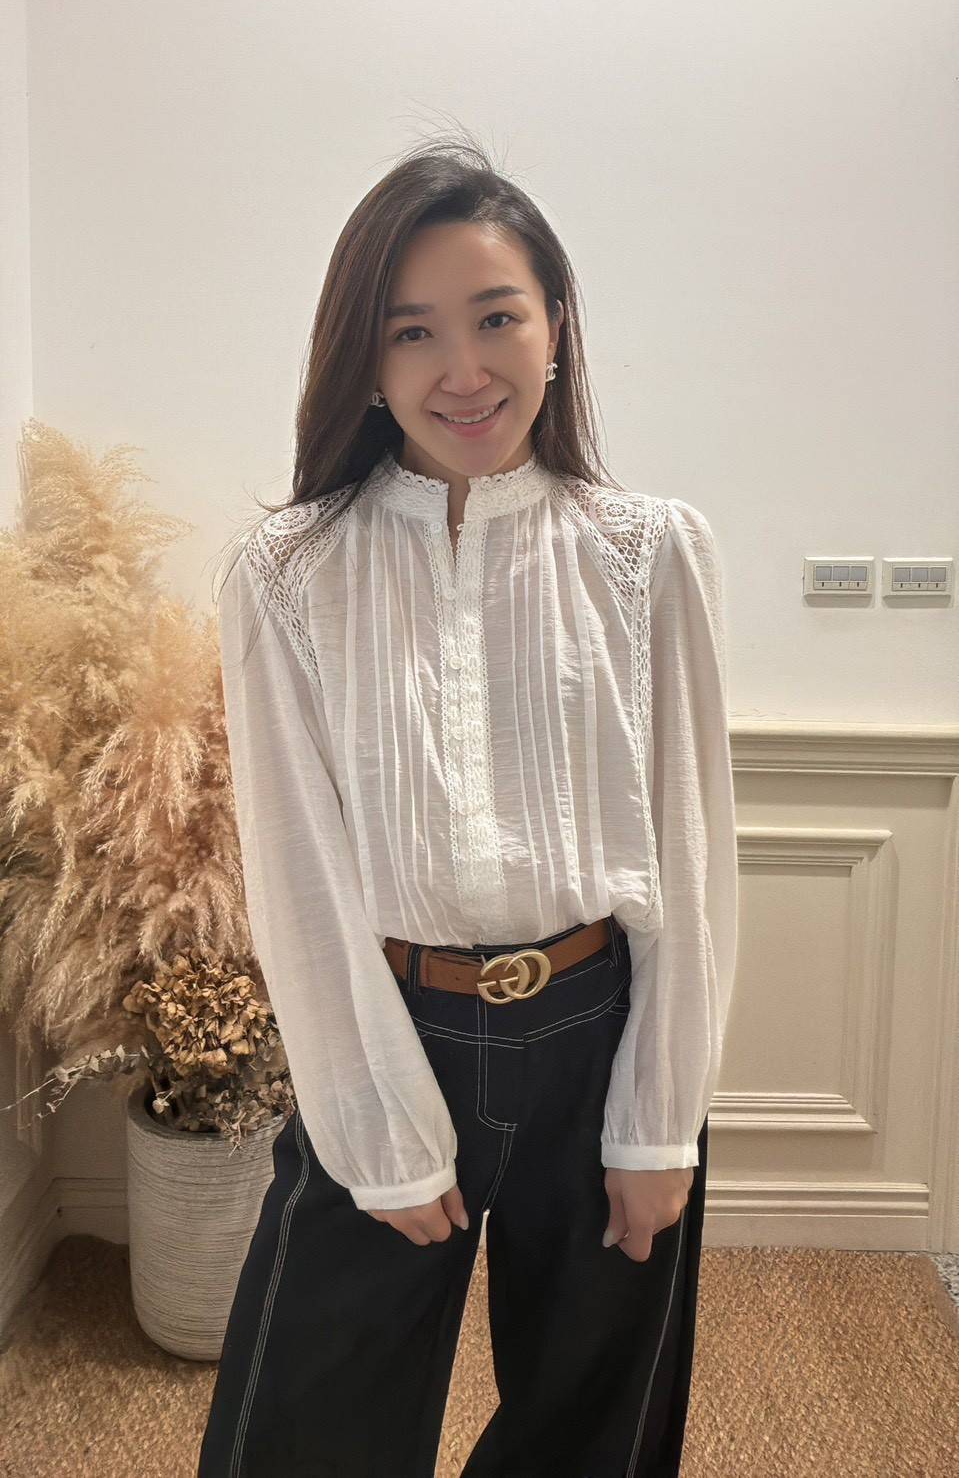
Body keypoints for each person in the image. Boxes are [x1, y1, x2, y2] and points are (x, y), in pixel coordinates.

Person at [197, 132, 739, 1478]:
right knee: (305, 1425)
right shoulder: (288, 571)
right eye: (413, 332)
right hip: (392, 1028)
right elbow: (297, 874)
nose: (464, 369)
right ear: (366, 360)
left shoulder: (650, 555)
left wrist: (658, 1120)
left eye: (497, 317)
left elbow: (693, 858)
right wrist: (376, 1127)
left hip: (601, 1031)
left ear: (555, 321)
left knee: (588, 1431)